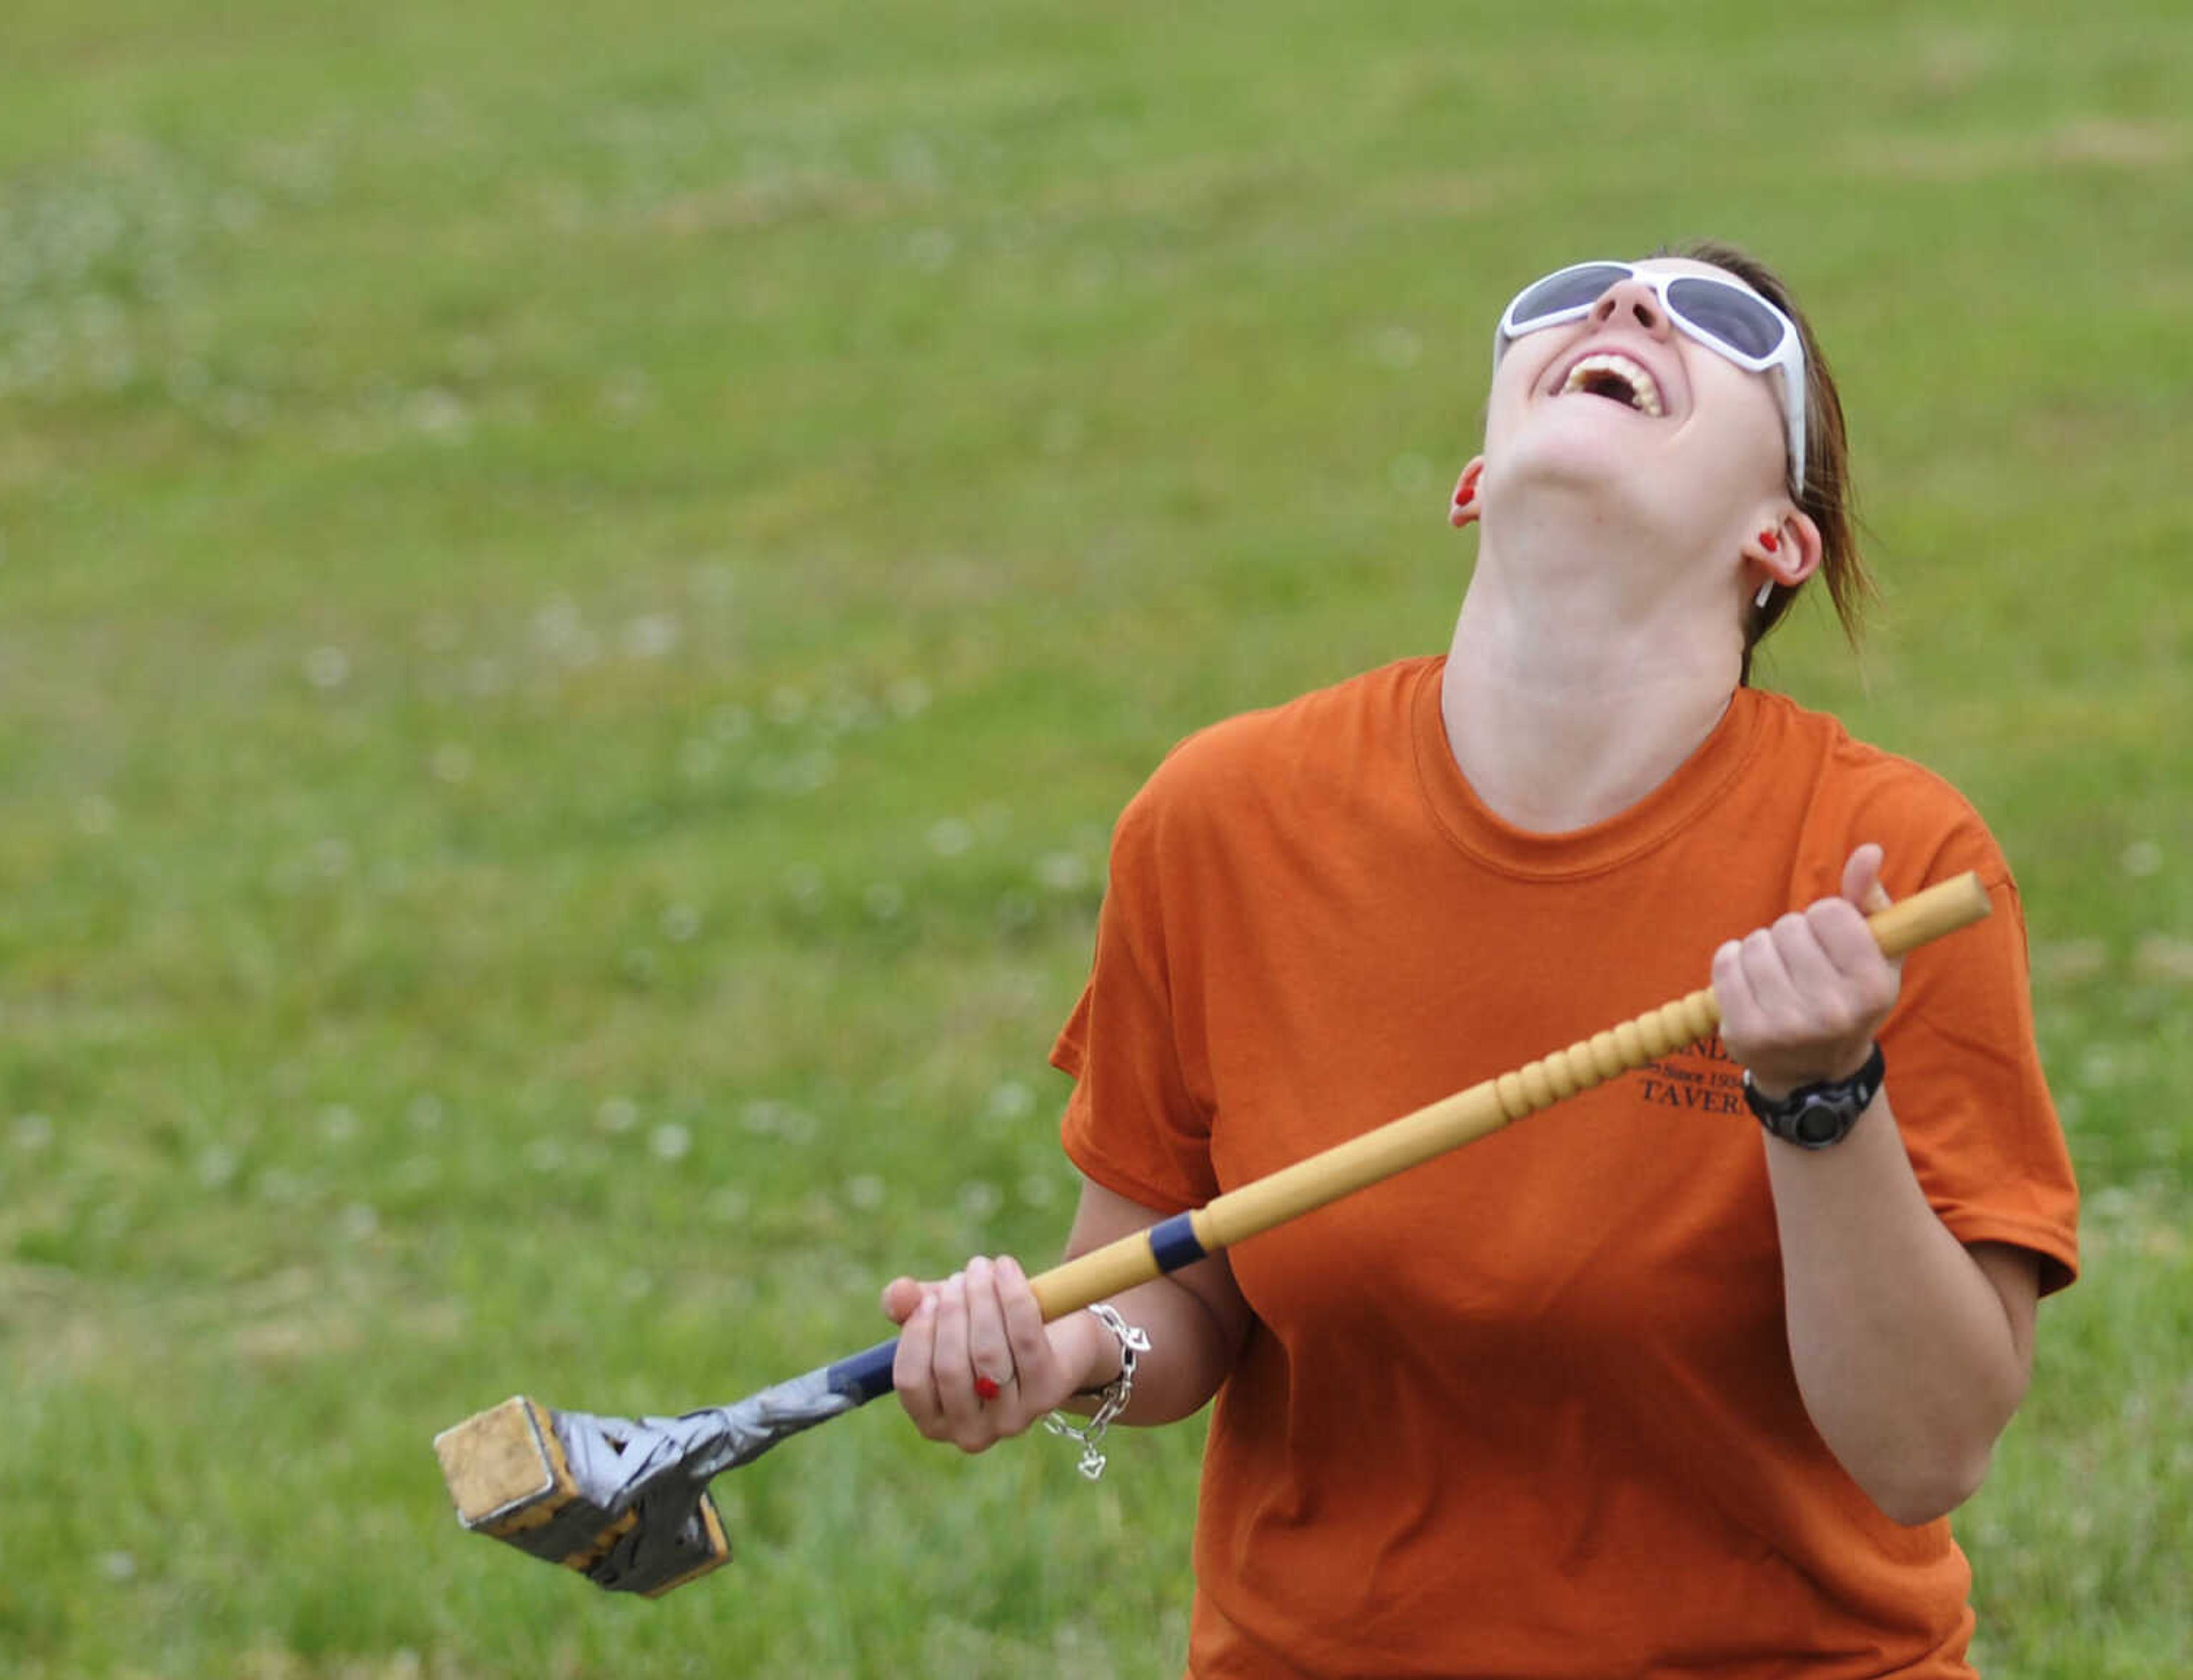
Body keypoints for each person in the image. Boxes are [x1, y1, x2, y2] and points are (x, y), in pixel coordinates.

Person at [878, 242, 2079, 1679]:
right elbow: (1174, 1289)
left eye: (1724, 323)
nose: (1628, 306)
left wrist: (1824, 1100)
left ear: (1781, 540)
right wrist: (1074, 1353)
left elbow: (1927, 1449)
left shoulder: (1889, 865)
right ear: (1474, 479)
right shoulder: (1224, 818)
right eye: (1575, 292)